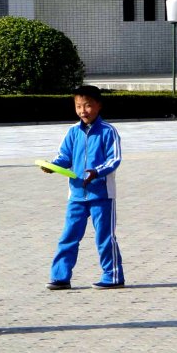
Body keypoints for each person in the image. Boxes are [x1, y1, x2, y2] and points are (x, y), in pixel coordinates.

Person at [43, 85, 125, 290]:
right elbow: (64, 157)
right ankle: (60, 277)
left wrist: (96, 172)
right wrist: (52, 166)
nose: (83, 111)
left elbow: (114, 159)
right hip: (77, 195)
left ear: (99, 106)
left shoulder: (108, 131)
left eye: (87, 106)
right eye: (78, 106)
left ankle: (113, 277)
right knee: (69, 236)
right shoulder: (72, 131)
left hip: (102, 195)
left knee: (105, 237)